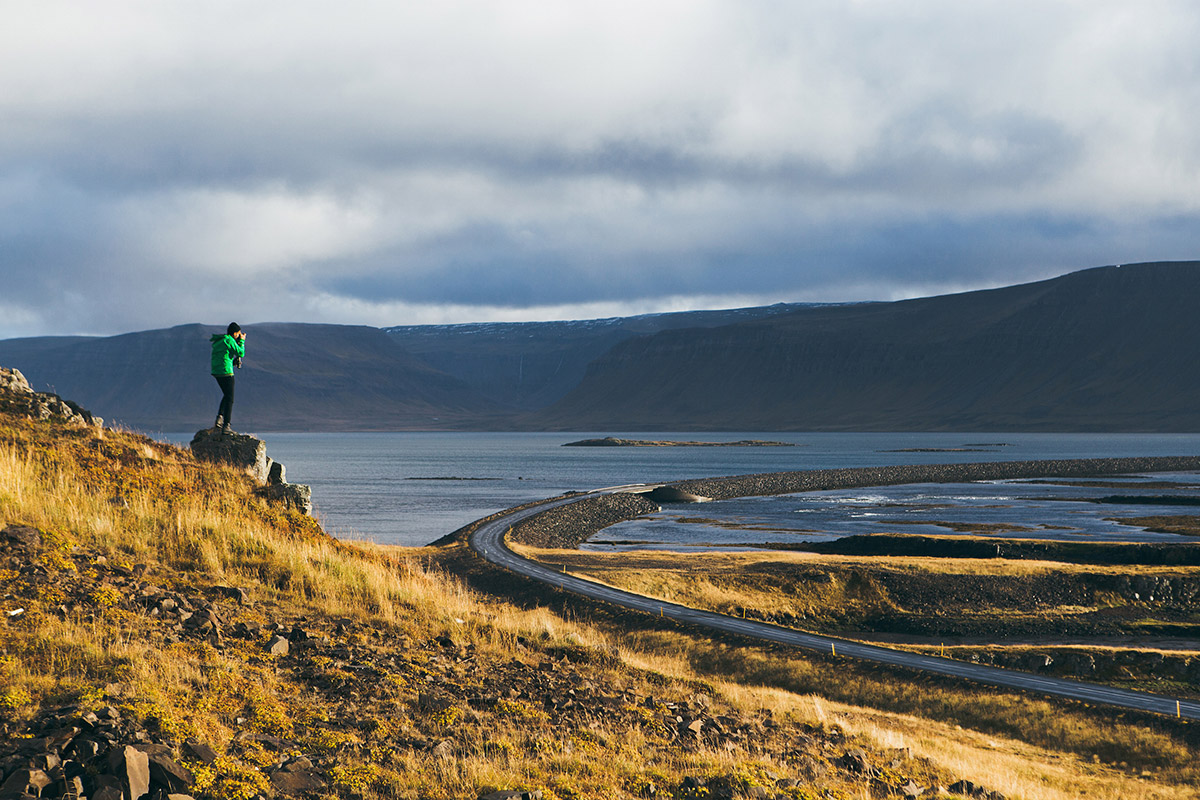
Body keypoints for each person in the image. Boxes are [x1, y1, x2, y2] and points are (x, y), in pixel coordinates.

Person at [210, 323, 246, 433]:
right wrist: (242, 341)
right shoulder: (229, 340)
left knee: (226, 394)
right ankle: (226, 426)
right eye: (238, 334)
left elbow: (225, 357)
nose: (239, 336)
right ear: (235, 333)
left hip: (217, 371)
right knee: (230, 398)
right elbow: (241, 352)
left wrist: (233, 362)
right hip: (226, 373)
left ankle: (219, 419)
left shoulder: (221, 341)